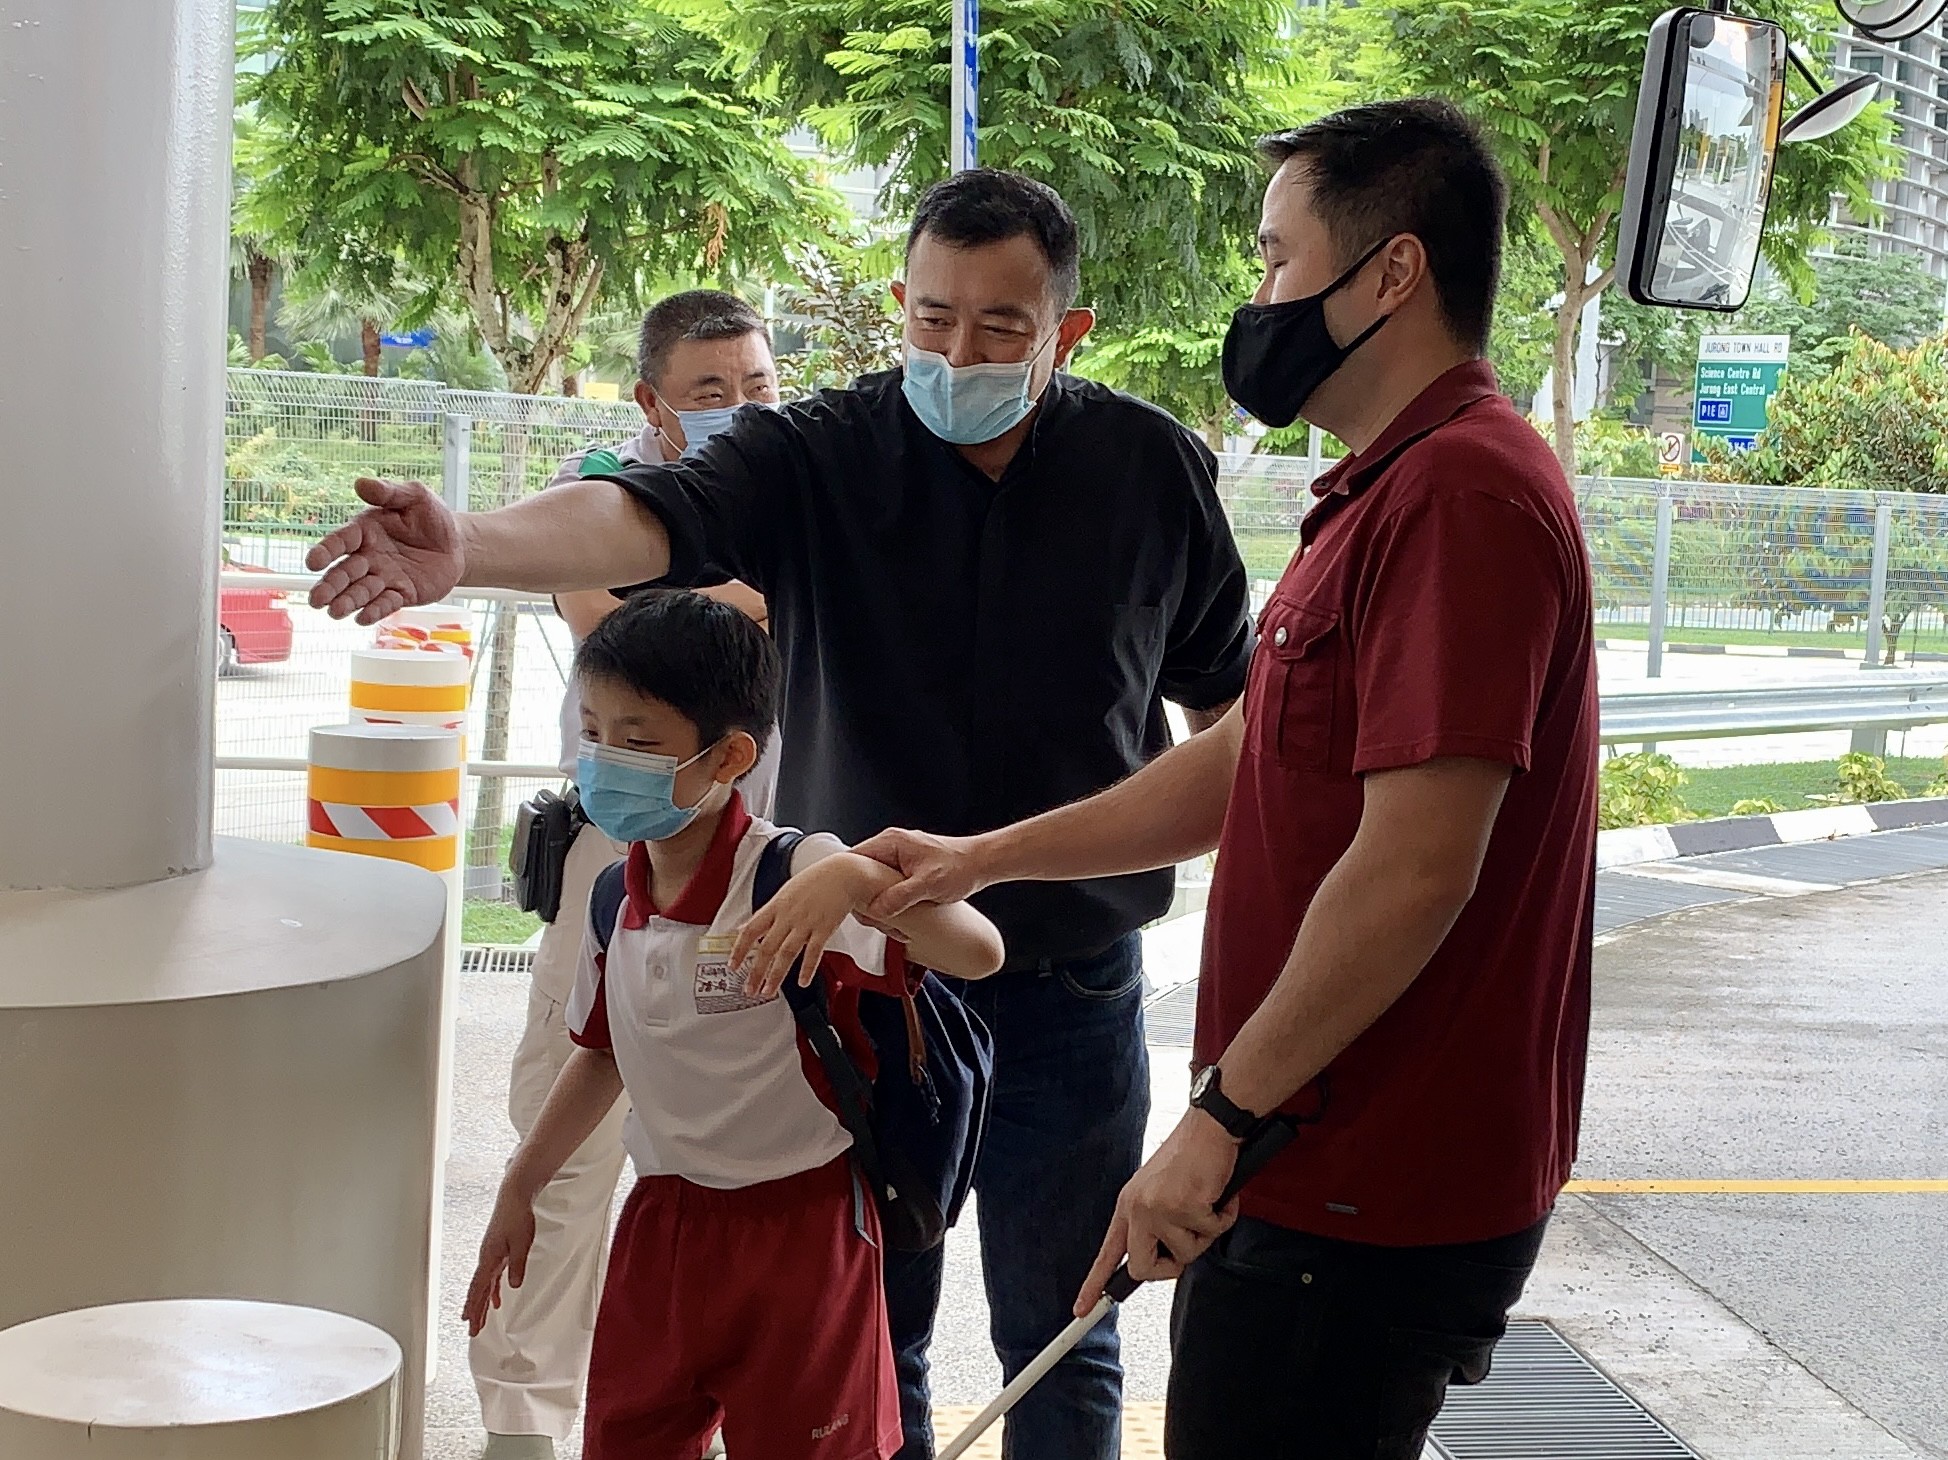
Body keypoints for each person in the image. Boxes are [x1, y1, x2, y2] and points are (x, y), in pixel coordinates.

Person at [306, 168, 1254, 1460]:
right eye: (931, 320)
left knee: (1064, 1328)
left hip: (1071, 985)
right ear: (899, 307)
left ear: (1066, 333)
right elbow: (646, 516)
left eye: (998, 330)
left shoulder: (1150, 475)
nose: (955, 353)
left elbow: (1232, 722)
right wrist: (469, 545)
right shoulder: (820, 455)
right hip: (857, 981)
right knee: (873, 1334)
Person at [857, 99, 1600, 1459]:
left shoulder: (1464, 499)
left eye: (1275, 259)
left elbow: (1418, 864)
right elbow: (1242, 759)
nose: (1257, 297)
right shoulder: (1383, 492)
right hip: (1305, 1162)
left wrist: (1222, 1117)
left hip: (1362, 1179)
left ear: (1391, 274)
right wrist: (985, 859)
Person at [465, 591, 1004, 1460]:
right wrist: (520, 1183)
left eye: (639, 742)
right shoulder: (614, 893)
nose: (603, 761)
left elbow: (981, 953)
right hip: (666, 1224)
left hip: (803, 1230)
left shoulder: (793, 875)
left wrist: (853, 877)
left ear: (730, 757)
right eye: (593, 732)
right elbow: (601, 1053)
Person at [471, 291, 782, 1460]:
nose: (740, 411)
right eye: (709, 394)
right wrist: (745, 596)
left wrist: (725, 595)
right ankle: (521, 1412)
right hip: (623, 854)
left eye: (756, 388)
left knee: (721, 1149)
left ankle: (686, 1410)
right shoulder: (598, 485)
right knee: (563, 1121)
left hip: (758, 858)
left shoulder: (794, 490)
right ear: (652, 405)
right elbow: (614, 619)